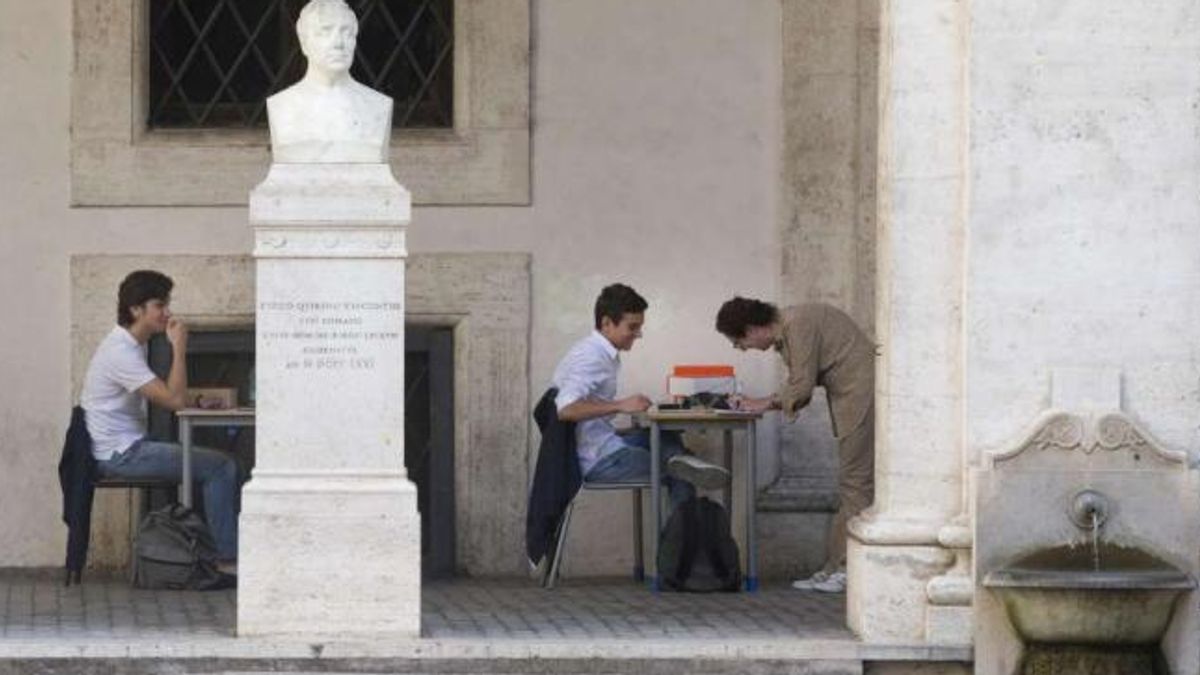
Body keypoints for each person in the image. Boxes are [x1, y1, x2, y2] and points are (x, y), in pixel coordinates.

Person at [81, 270, 240, 572]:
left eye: (167, 304)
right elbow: (173, 401)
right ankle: (227, 559)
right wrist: (179, 348)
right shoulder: (121, 352)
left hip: (131, 445)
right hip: (121, 455)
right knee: (221, 466)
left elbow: (166, 393)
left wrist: (197, 400)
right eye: (159, 305)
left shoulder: (134, 343)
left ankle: (214, 550)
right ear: (135, 310)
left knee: (219, 461)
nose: (167, 312)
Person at [716, 297, 874, 593]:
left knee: (856, 484)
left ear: (752, 329)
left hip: (859, 396)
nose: (742, 348)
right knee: (851, 484)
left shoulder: (797, 323)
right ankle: (834, 567)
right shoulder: (790, 326)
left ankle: (848, 570)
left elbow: (801, 386)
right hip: (852, 397)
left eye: (739, 342)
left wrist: (760, 404)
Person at [552, 284, 730, 507]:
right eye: (632, 327)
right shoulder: (590, 357)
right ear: (607, 323)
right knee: (680, 474)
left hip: (606, 443)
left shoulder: (598, 352)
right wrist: (619, 405)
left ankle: (682, 460)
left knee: (663, 437)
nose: (639, 334)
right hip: (600, 460)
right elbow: (565, 409)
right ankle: (684, 474)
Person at [266, 0, 393, 163]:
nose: (338, 43)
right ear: (304, 42)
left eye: (346, 32)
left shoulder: (378, 106)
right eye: (325, 32)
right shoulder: (281, 106)